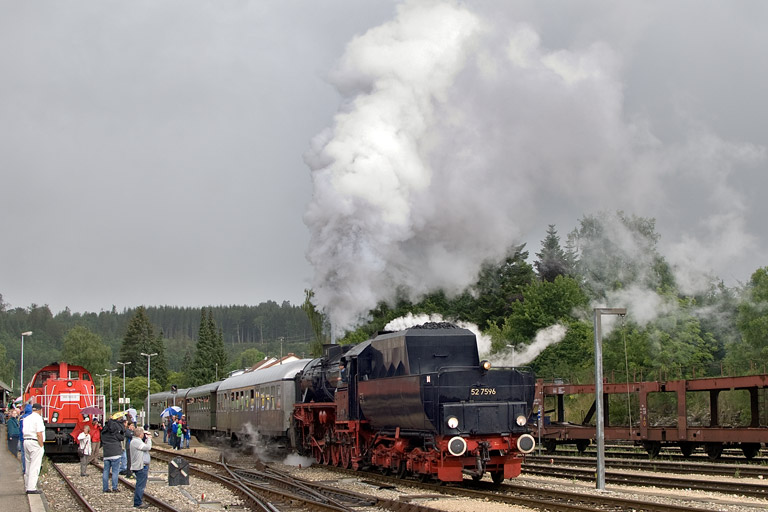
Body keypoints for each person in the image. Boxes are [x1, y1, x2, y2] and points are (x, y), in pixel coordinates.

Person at [22, 403, 45, 494]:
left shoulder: (26, 418)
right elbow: (39, 433)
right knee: (35, 465)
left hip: (26, 441)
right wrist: (41, 445)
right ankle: (31, 488)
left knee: (28, 465)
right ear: (40, 410)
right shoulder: (38, 418)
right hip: (35, 442)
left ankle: (28, 485)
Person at [130, 427, 152, 508]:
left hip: (141, 465)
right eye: (143, 434)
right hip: (140, 466)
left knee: (140, 485)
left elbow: (143, 446)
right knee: (140, 485)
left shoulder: (136, 441)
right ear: (140, 434)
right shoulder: (136, 442)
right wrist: (149, 439)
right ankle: (138, 502)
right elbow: (148, 447)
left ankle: (138, 501)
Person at [101, 417, 125, 493]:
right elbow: (121, 438)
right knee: (115, 471)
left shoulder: (103, 433)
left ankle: (105, 488)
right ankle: (114, 487)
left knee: (106, 471)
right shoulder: (115, 432)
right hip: (115, 453)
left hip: (106, 454)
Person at [19, 403, 33, 475]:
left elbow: (21, 429)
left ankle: (25, 470)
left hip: (23, 438)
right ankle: (32, 471)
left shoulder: (22, 418)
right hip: (32, 438)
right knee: (32, 455)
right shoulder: (33, 418)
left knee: (24, 455)